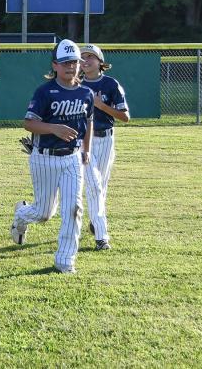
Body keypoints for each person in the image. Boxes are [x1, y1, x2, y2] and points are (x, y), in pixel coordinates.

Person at [10, 39, 94, 274]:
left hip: (72, 158)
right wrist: (53, 128)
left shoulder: (86, 93)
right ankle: (21, 215)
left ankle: (65, 260)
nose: (71, 66)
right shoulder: (45, 92)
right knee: (44, 213)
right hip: (45, 157)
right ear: (55, 65)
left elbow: (88, 122)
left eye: (75, 62)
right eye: (66, 62)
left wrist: (86, 149)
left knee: (74, 209)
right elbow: (28, 123)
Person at [80, 44, 130, 251]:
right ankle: (102, 236)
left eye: (91, 56)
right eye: (82, 57)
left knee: (101, 187)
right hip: (85, 141)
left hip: (106, 140)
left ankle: (95, 219)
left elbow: (125, 117)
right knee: (94, 185)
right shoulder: (75, 85)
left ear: (100, 62)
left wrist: (101, 106)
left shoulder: (111, 84)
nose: (86, 60)